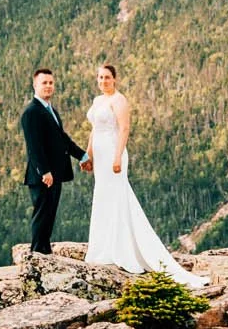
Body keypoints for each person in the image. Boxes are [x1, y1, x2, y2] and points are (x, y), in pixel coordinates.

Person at [84, 63, 207, 288]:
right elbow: (94, 130)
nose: (103, 81)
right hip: (99, 155)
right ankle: (104, 248)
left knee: (118, 197)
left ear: (114, 79)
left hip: (112, 151)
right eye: (100, 77)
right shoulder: (97, 100)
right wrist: (88, 155)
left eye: (107, 77)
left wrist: (118, 156)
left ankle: (123, 249)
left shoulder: (119, 100)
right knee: (103, 197)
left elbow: (124, 129)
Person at [20, 66, 86, 255]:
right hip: (43, 175)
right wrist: (44, 171)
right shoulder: (31, 112)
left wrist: (82, 155)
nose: (48, 86)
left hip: (55, 173)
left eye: (51, 83)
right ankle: (37, 254)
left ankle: (45, 251)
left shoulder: (51, 110)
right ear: (35, 85)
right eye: (44, 83)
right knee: (42, 215)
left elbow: (62, 139)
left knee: (49, 214)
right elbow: (34, 146)